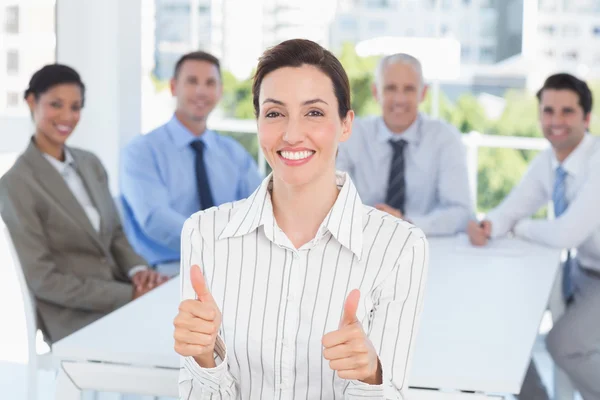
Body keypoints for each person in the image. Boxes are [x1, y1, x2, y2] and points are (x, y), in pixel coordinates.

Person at [173, 39, 429, 399]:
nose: (292, 135)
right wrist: (203, 358)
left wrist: (371, 377)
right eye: (275, 113)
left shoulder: (399, 247)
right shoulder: (204, 234)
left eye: (314, 113)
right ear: (259, 122)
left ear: (345, 124)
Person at [0, 64, 167, 343]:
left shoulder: (90, 163)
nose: (67, 116)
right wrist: (129, 294)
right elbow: (43, 279)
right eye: (56, 104)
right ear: (31, 101)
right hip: (74, 318)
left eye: (75, 107)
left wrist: (139, 273)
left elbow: (114, 234)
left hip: (123, 295)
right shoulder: (16, 184)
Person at [467, 73, 600, 400]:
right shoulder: (550, 162)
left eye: (567, 112)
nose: (556, 121)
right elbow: (512, 208)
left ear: (587, 118)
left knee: (564, 345)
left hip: (593, 277)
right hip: (583, 274)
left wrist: (519, 228)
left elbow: (568, 232)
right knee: (504, 326)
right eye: (548, 111)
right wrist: (491, 226)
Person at [120, 51, 262, 276]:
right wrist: (214, 244)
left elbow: (261, 206)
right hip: (168, 271)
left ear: (219, 91)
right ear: (174, 87)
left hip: (232, 267)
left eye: (210, 83)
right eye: (192, 81)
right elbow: (155, 218)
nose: (201, 91)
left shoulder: (233, 153)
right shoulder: (142, 151)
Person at [337, 53, 472, 236]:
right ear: (376, 92)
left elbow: (462, 213)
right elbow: (330, 198)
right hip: (363, 241)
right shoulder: (352, 135)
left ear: (423, 93)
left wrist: (405, 224)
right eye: (391, 88)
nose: (399, 99)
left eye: (408, 89)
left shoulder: (445, 139)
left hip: (428, 247)